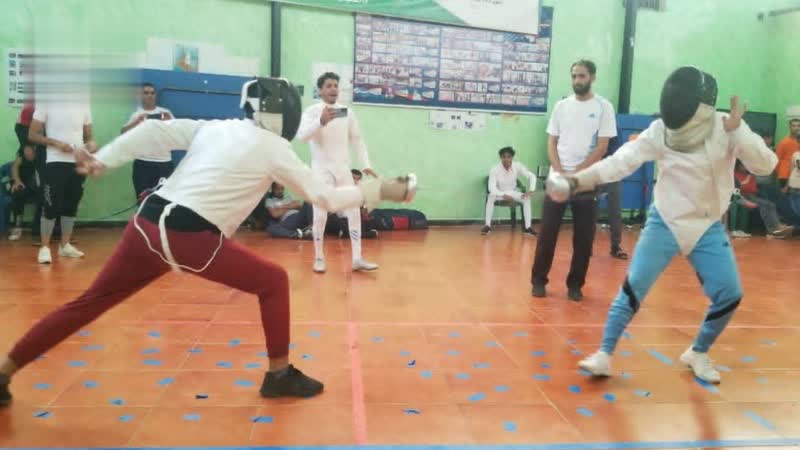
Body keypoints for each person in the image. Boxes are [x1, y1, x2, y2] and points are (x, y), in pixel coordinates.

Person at [0, 76, 417, 407]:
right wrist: (382, 190)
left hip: (145, 224)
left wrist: (104, 159)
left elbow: (153, 132)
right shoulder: (274, 149)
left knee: (89, 302)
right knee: (273, 281)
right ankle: (278, 375)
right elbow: (326, 198)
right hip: (188, 235)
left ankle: (4, 370)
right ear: (280, 112)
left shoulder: (217, 127)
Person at [546, 66, 777, 383]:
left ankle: (698, 351)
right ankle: (604, 354)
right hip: (665, 220)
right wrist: (576, 181)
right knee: (633, 288)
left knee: (729, 294)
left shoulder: (727, 126)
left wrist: (739, 132)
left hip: (707, 226)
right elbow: (619, 162)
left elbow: (766, 165)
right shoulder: (660, 130)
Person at [531, 60, 617, 301]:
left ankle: (575, 285)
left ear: (592, 77)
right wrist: (559, 171)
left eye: (582, 76)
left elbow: (602, 146)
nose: (577, 80)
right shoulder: (561, 106)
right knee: (547, 233)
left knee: (584, 238)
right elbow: (551, 141)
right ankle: (538, 281)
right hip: (558, 179)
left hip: (586, 181)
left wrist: (577, 173)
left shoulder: (604, 107)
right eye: (574, 76)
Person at [297, 72, 379, 273]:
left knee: (354, 211)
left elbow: (357, 140)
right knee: (320, 213)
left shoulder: (346, 112)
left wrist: (366, 163)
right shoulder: (312, 111)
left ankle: (357, 258)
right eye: (328, 85)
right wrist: (320, 121)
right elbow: (302, 137)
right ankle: (319, 258)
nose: (333, 89)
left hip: (343, 169)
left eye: (335, 85)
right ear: (320, 90)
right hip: (321, 170)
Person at [27, 99, 96, 263]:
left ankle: (65, 246)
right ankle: (45, 247)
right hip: (55, 162)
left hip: (77, 163)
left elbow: (88, 137)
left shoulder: (84, 103)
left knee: (71, 205)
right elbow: (32, 135)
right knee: (51, 205)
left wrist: (91, 146)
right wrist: (55, 143)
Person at [120, 82, 176, 198]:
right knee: (142, 198)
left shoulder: (165, 113)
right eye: (146, 93)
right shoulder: (137, 115)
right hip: (143, 164)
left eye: (152, 93)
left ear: (155, 95)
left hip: (164, 164)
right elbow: (123, 133)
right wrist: (137, 122)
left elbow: (177, 133)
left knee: (164, 199)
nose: (150, 95)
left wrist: (169, 122)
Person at [482, 146, 537, 236]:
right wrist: (503, 195)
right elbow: (491, 188)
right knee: (491, 196)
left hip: (512, 193)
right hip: (499, 193)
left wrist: (531, 190)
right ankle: (487, 226)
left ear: (512, 157)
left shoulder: (517, 166)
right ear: (501, 158)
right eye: (504, 157)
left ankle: (528, 228)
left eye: (509, 156)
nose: (506, 159)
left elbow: (532, 176)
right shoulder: (494, 169)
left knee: (526, 199)